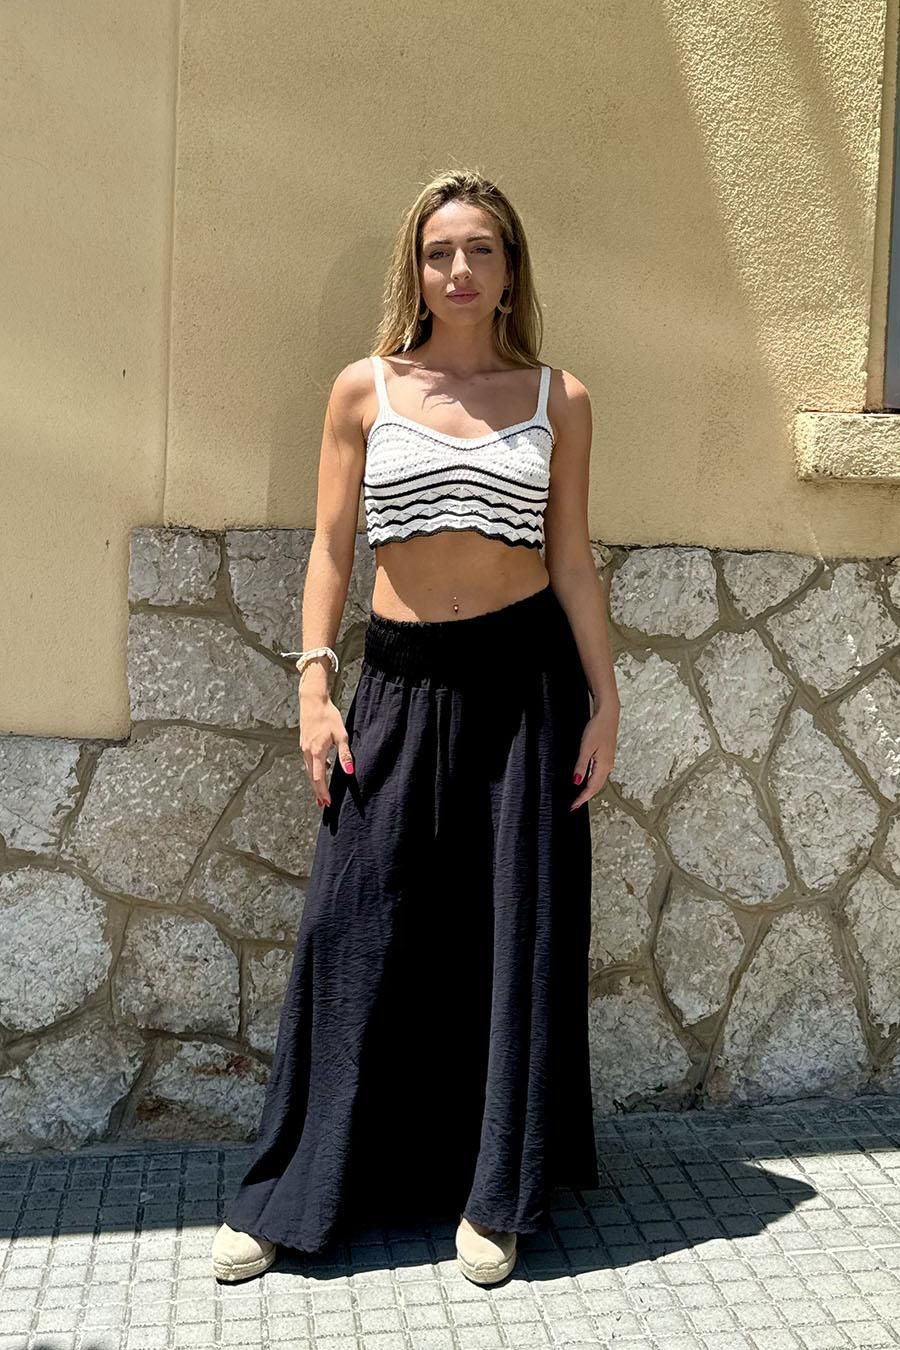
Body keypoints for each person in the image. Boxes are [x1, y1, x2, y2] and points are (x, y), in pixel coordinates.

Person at [211, 166, 620, 1287]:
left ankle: (494, 1197)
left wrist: (606, 702)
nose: (460, 270)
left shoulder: (559, 399)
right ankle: (299, 1187)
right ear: (417, 268)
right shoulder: (365, 389)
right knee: (353, 925)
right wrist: (314, 683)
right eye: (441, 252)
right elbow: (331, 548)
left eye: (481, 249)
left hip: (525, 688)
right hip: (396, 680)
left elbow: (574, 563)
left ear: (510, 268)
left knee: (510, 934)